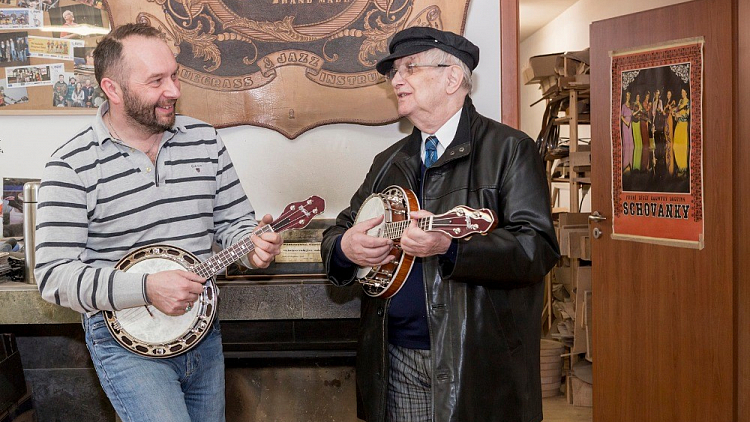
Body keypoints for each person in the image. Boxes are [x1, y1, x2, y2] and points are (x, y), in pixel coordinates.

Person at [34, 23, 283, 422]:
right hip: (124, 344)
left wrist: (254, 247)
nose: (174, 91)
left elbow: (234, 223)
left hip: (203, 331)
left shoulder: (204, 140)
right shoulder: (71, 166)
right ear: (112, 89)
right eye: (156, 81)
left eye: (174, 75)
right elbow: (53, 276)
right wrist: (147, 288)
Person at [320, 27, 560, 422]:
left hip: (476, 365)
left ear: (452, 78)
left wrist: (451, 248)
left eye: (410, 68)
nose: (396, 80)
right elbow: (338, 233)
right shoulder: (388, 161)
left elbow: (536, 249)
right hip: (394, 358)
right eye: (394, 72)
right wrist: (345, 247)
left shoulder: (510, 150)